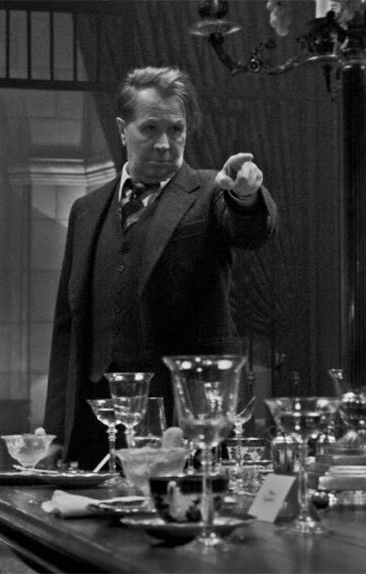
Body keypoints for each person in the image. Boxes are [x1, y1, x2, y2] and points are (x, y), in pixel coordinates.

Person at [43, 66, 278, 469]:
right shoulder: (86, 210)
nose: (165, 144)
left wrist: (245, 196)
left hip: (184, 417)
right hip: (97, 421)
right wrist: (55, 433)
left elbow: (250, 230)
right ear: (123, 130)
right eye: (150, 128)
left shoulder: (210, 191)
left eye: (176, 129)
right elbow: (68, 328)